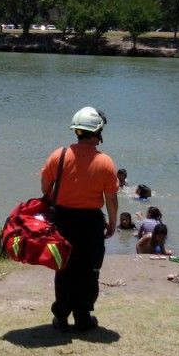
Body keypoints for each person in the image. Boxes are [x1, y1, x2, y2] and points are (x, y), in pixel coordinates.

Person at [40, 106, 119, 332]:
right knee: (88, 270)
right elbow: (111, 199)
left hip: (63, 219)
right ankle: (83, 316)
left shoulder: (60, 155)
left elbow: (45, 186)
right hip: (91, 222)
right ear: (98, 131)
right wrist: (112, 222)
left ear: (77, 130)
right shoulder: (106, 162)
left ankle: (61, 316)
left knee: (63, 268)